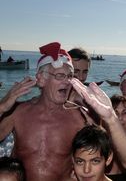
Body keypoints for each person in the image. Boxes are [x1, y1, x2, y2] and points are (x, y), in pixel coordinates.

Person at [0, 42, 87, 181]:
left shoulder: (79, 117)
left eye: (70, 76)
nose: (67, 82)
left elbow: (100, 157)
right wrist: (2, 106)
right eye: (60, 76)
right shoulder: (18, 112)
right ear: (41, 79)